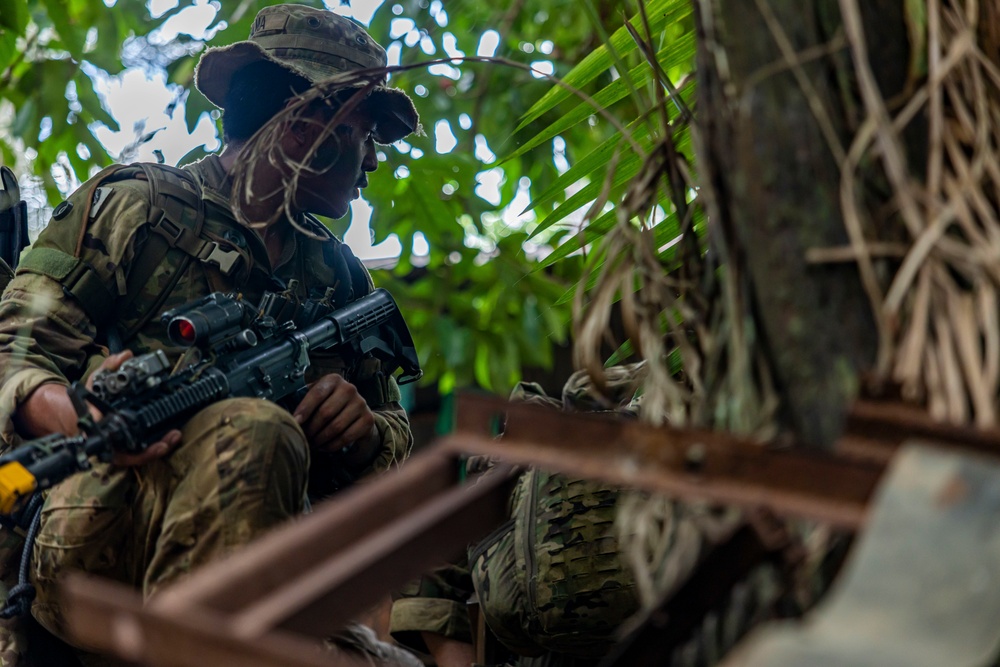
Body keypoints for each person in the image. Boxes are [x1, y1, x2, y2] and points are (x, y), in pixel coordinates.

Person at [0, 4, 420, 663]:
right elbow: (13, 354)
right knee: (256, 431)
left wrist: (365, 429)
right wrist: (78, 410)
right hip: (91, 534)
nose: (372, 159)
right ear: (304, 125)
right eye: (364, 130)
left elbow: (394, 446)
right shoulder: (140, 208)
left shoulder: (338, 278)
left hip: (266, 558)